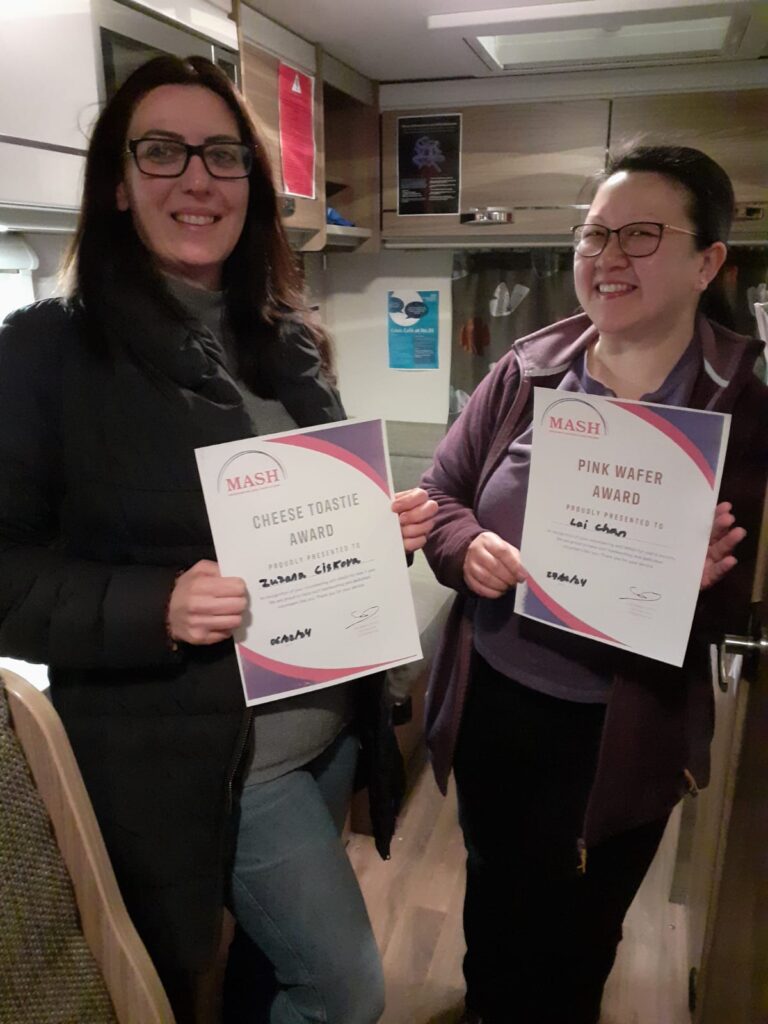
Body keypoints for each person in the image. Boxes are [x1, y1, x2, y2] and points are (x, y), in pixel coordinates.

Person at [0, 56, 436, 1024]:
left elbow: (295, 529)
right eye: (161, 152)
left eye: (223, 155)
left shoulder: (285, 338)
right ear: (116, 183)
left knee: (266, 975)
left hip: (323, 732)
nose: (196, 179)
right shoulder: (45, 351)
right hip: (207, 754)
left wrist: (374, 534)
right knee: (343, 987)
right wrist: (155, 605)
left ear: (251, 184)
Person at [420, 145, 768, 1024]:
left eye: (642, 234)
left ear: (708, 262)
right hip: (500, 699)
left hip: (621, 728)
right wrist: (467, 550)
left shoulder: (743, 409)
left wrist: (695, 584)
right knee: (494, 904)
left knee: (581, 934)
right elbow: (440, 496)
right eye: (594, 234)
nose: (609, 256)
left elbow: (739, 610)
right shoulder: (528, 369)